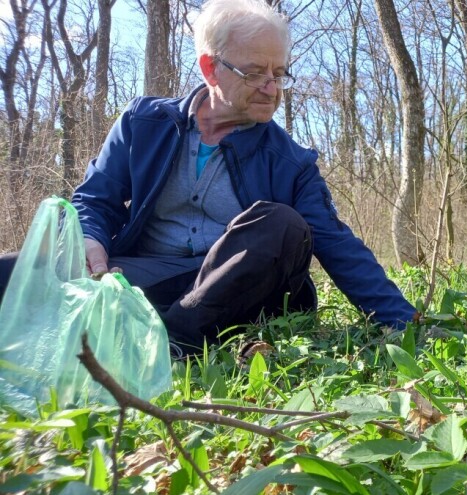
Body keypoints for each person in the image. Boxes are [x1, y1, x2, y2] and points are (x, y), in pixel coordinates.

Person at [0, 0, 416, 354]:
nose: (272, 88)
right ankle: (124, 321)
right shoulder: (143, 122)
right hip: (146, 275)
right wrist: (90, 241)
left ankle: (170, 342)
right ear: (210, 68)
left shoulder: (290, 161)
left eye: (279, 73)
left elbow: (334, 241)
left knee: (281, 223)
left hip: (241, 293)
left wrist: (403, 321)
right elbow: (95, 199)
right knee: (13, 272)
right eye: (255, 73)